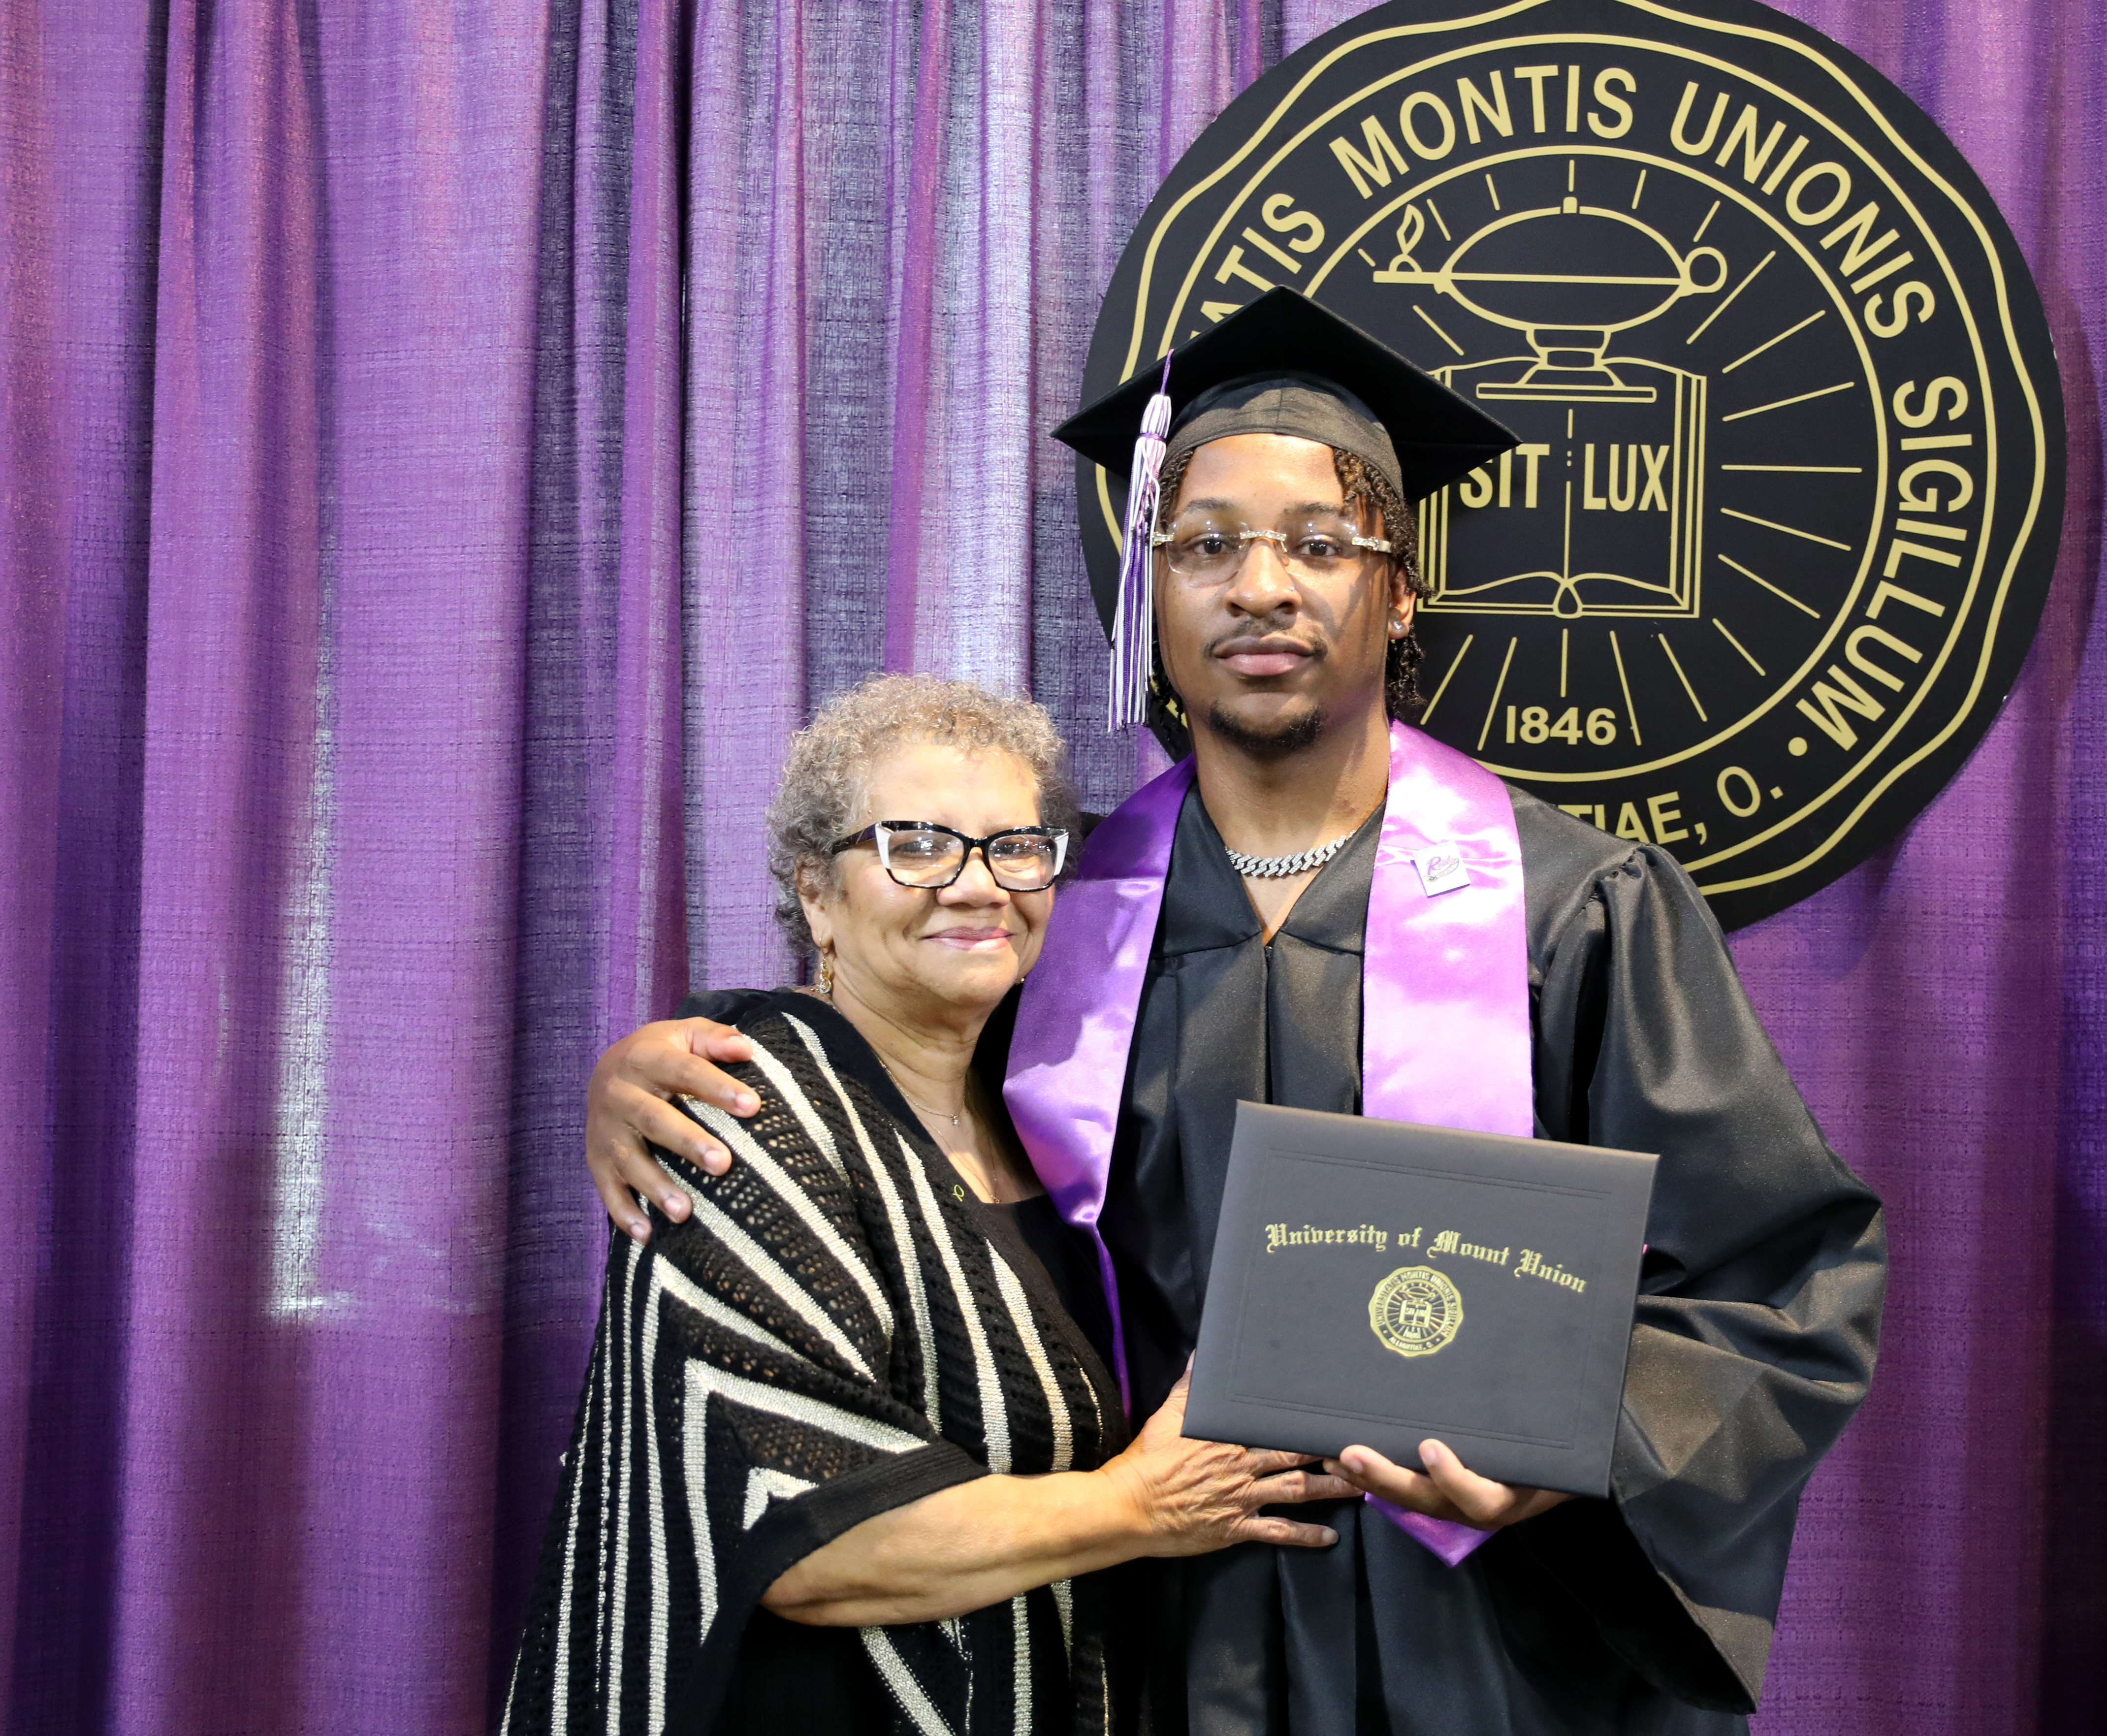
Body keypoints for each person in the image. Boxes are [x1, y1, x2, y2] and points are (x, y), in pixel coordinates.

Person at [582, 291, 1887, 1735]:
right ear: (1154, 589)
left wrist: (1572, 1442)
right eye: (1205, 544)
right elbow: (894, 1103)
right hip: (1148, 1626)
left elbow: (1787, 1275)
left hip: (1497, 1647)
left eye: (1322, 544)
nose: (1260, 585)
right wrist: (665, 1060)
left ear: (1398, 594)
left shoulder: (1578, 909)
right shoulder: (1056, 916)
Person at [504, 675, 1355, 1736]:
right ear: (817, 891)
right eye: (916, 843)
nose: (977, 885)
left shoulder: (1046, 1111)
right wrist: (1138, 1504)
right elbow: (806, 1541)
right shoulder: (742, 1116)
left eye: (1015, 845)